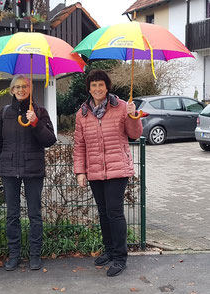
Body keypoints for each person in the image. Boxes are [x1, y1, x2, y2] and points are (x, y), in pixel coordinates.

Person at [73, 69, 143, 277]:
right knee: (103, 213)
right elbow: (79, 144)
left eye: (100, 85)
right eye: (93, 85)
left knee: (114, 212)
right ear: (89, 88)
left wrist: (133, 115)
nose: (97, 89)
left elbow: (135, 134)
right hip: (94, 170)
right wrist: (80, 171)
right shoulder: (83, 113)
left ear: (107, 86)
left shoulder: (121, 107)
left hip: (117, 169)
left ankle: (120, 257)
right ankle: (110, 251)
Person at [0, 75, 57, 271]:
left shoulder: (40, 112)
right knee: (12, 215)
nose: (21, 90)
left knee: (35, 214)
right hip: (9, 170)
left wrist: (36, 122)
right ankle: (14, 255)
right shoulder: (4, 113)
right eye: (17, 87)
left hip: (33, 170)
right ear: (12, 90)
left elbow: (49, 140)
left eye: (25, 86)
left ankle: (35, 254)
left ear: (31, 89)